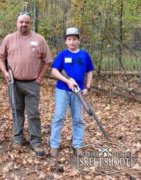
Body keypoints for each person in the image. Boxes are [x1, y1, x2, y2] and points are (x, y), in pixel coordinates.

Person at [0, 12, 52, 157]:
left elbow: (48, 61)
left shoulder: (39, 39)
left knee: (33, 113)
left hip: (32, 83)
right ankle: (18, 137)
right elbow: (0, 58)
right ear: (17, 23)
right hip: (13, 83)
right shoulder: (9, 39)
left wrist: (40, 77)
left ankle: (36, 142)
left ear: (30, 24)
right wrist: (5, 73)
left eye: (26, 22)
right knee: (16, 111)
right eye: (21, 22)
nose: (23, 25)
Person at [49, 27, 95, 157]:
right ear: (66, 41)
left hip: (79, 91)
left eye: (74, 39)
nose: (72, 42)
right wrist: (68, 81)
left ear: (78, 40)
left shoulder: (84, 54)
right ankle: (54, 145)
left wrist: (87, 87)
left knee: (78, 119)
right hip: (62, 90)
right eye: (69, 39)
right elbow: (54, 71)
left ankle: (78, 145)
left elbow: (89, 72)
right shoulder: (62, 55)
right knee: (59, 117)